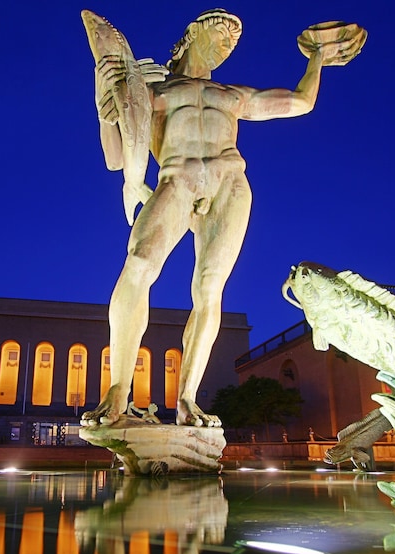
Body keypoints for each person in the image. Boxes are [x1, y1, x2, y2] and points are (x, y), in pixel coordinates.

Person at [82, 9, 365, 428]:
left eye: (233, 42)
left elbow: (301, 102)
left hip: (228, 183)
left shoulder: (233, 94)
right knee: (138, 265)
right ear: (192, 33)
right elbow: (116, 157)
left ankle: (187, 399)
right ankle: (118, 390)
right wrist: (103, 102)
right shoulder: (153, 88)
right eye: (221, 33)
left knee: (209, 288)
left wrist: (317, 59)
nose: (227, 45)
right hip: (177, 179)